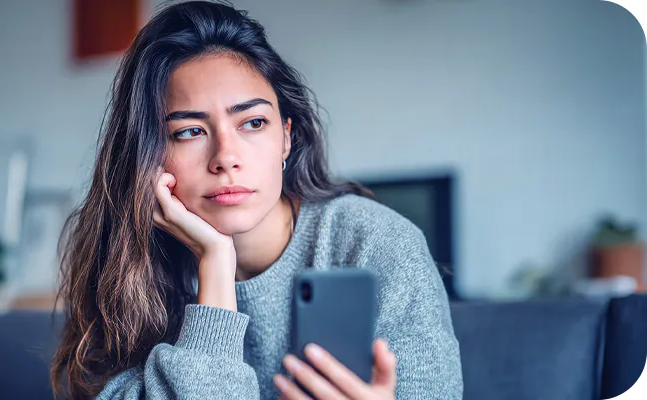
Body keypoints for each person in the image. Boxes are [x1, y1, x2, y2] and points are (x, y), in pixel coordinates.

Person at [50, 1, 463, 399]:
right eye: (189, 131)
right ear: (147, 155)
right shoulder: (129, 269)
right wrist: (214, 267)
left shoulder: (377, 244)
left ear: (285, 136)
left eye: (253, 122)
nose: (226, 157)